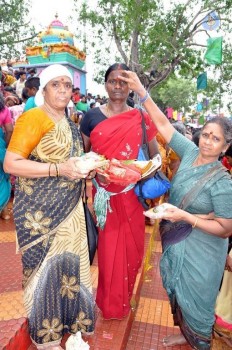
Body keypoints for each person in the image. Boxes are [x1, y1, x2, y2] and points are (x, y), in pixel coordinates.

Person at [117, 70, 232, 350]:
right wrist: (142, 93)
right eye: (205, 134)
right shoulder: (190, 152)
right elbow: (163, 124)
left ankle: (199, 339)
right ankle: (185, 332)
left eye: (215, 139)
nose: (207, 141)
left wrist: (186, 217)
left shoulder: (223, 181)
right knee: (177, 290)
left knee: (198, 298)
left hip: (204, 252)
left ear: (225, 146)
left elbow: (226, 228)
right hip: (177, 240)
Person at [4, 64, 96, 350]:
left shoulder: (69, 122)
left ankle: (71, 324)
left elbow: (71, 163)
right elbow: (11, 163)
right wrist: (59, 169)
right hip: (40, 214)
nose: (63, 90)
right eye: (55, 84)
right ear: (43, 89)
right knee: (44, 271)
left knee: (71, 268)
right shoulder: (34, 118)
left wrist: (87, 170)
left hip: (70, 211)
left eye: (67, 85)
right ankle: (46, 338)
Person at [80, 63, 159, 320]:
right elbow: (84, 155)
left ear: (130, 86)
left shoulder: (141, 118)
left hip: (130, 194)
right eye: (113, 81)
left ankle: (122, 300)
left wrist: (137, 173)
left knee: (132, 250)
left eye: (123, 82)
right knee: (109, 250)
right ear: (105, 84)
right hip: (105, 197)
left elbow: (155, 156)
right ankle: (109, 303)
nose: (117, 86)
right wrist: (93, 170)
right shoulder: (91, 117)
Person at [0, 93, 13, 220]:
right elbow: (9, 130)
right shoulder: (4, 109)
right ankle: (4, 211)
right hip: (0, 147)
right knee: (3, 177)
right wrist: (4, 146)